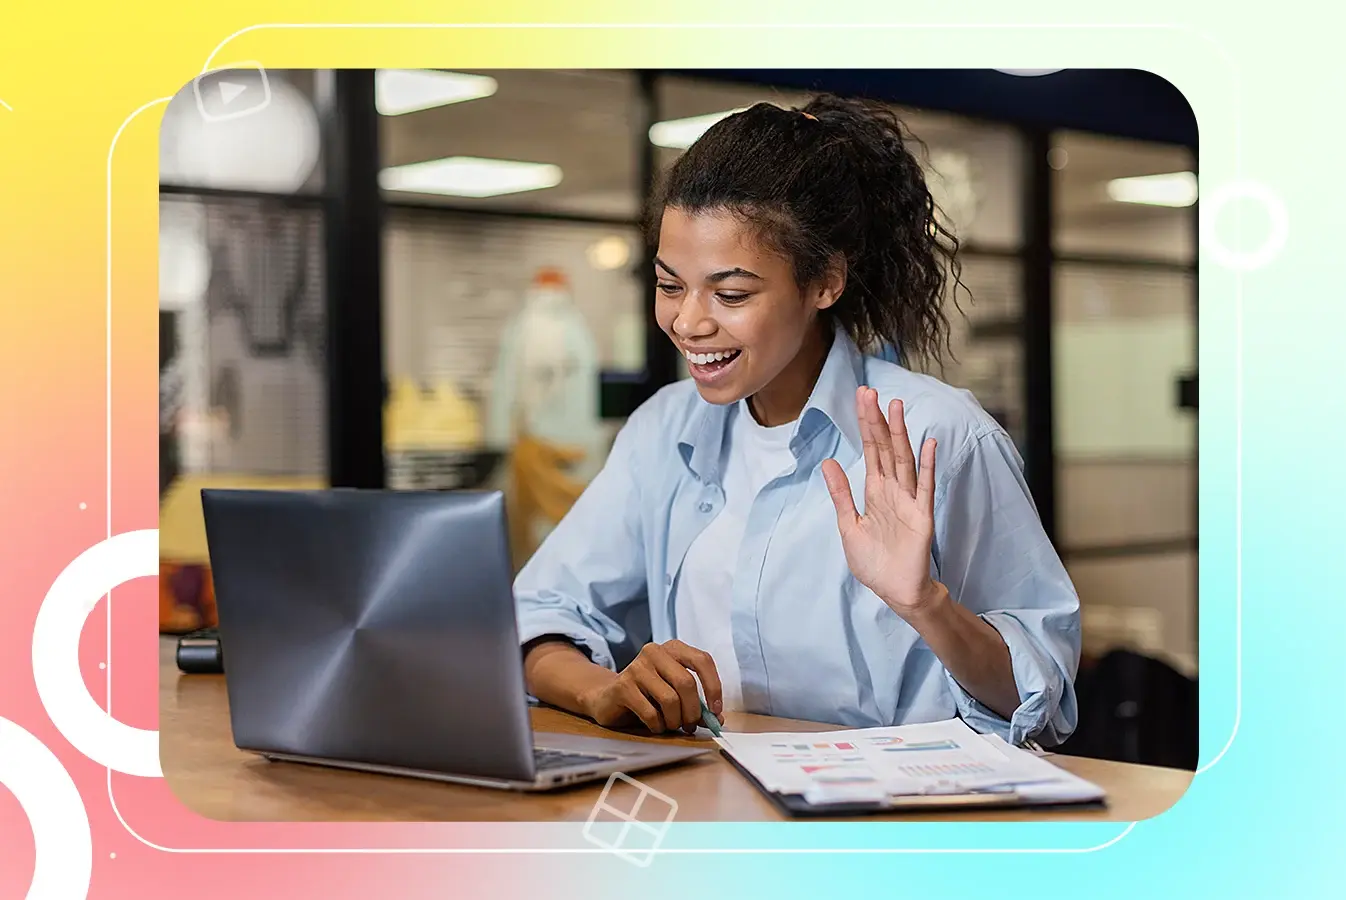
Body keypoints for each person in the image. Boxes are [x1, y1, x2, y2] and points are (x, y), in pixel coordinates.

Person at [513, 95, 1080, 748]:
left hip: (889, 829)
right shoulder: (663, 431)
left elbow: (1043, 695)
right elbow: (538, 614)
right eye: (670, 286)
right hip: (714, 809)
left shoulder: (939, 437)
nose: (690, 322)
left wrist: (928, 606)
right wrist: (603, 689)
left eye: (731, 294)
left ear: (824, 283)